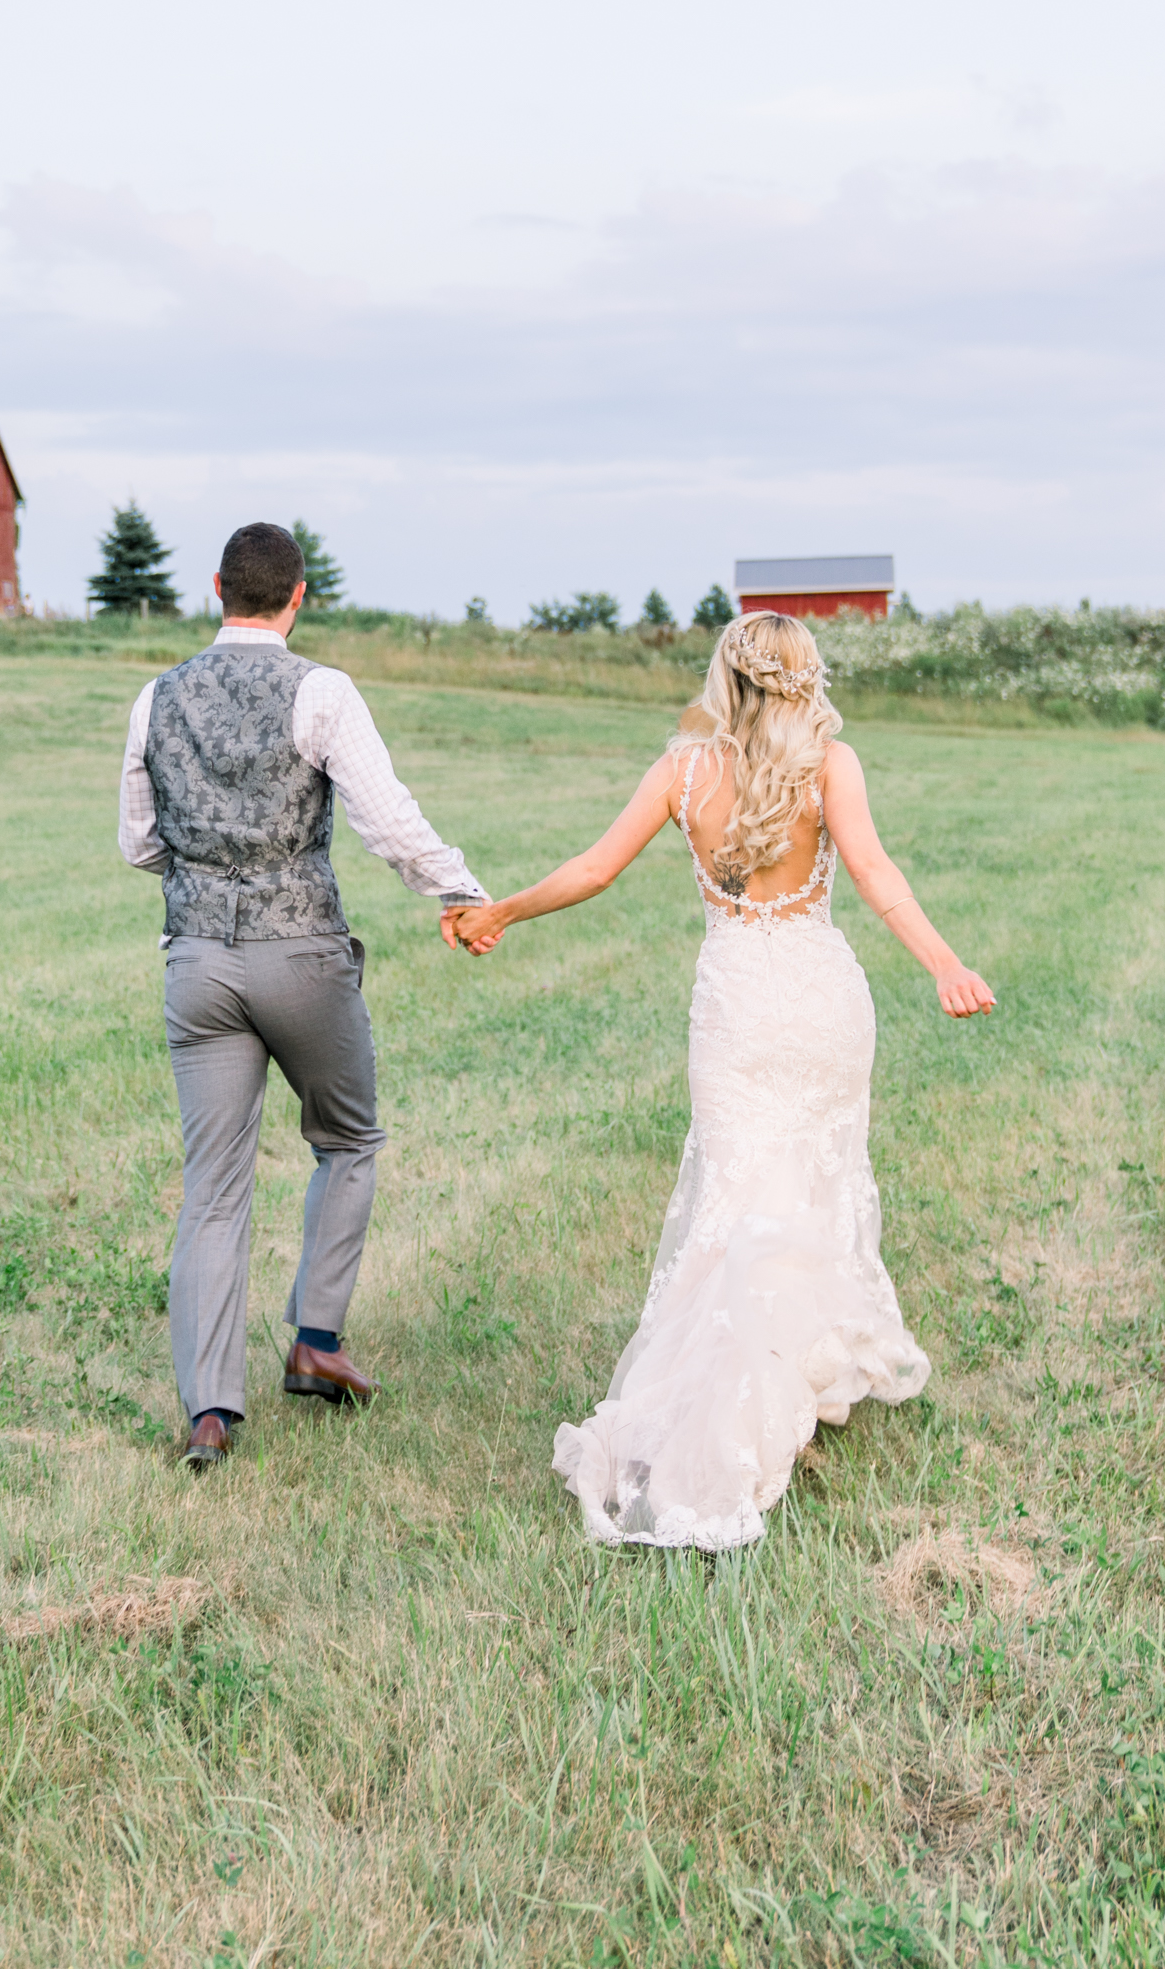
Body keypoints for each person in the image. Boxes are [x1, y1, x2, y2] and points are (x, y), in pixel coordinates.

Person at [445, 609, 992, 1552]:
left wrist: (505, 911)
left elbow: (591, 869)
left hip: (737, 1005)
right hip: (819, 998)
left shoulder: (682, 770)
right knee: (811, 1187)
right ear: (803, 677)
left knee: (733, 1204)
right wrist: (943, 963)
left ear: (723, 676)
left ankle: (749, 1391)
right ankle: (778, 1390)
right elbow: (874, 873)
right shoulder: (832, 764)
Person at [119, 520, 489, 1469]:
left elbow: (138, 843)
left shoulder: (155, 698)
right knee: (349, 1136)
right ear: (297, 595)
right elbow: (386, 818)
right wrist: (459, 890)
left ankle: (208, 1408)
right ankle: (315, 1344)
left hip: (197, 960)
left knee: (212, 1186)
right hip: (301, 955)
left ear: (215, 587)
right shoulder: (320, 691)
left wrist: (209, 877)